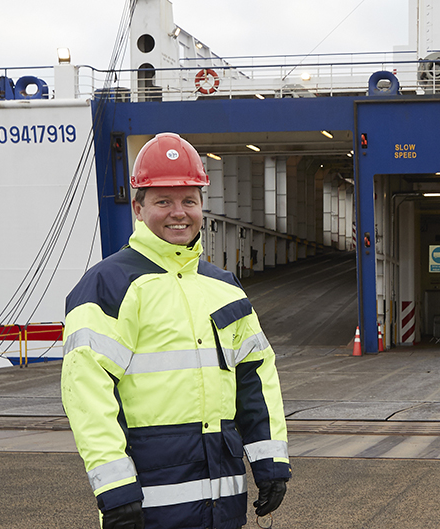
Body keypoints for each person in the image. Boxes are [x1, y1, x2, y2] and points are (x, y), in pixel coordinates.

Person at [61, 132, 291, 529]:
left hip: (224, 504)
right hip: (148, 503)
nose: (178, 212)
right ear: (138, 207)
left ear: (203, 205)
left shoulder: (224, 287)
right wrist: (114, 489)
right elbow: (87, 390)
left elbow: (255, 378)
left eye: (188, 200)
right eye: (163, 201)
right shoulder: (109, 285)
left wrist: (270, 462)